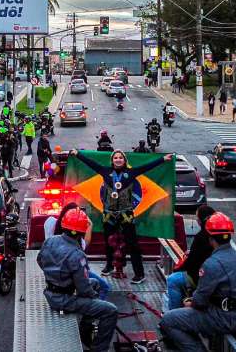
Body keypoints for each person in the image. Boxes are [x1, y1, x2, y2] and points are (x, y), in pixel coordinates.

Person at [69, 149, 174, 284]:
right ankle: (109, 266)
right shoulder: (105, 171)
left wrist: (163, 159)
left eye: (120, 158)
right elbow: (91, 163)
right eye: (115, 158)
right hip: (109, 214)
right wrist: (77, 154)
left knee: (133, 244)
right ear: (112, 160)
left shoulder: (131, 173)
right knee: (108, 241)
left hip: (126, 214)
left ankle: (139, 273)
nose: (118, 160)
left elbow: (147, 167)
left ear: (125, 160)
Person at [159, 213, 236, 352]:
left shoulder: (211, 264)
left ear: (210, 238)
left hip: (223, 319)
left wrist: (190, 302)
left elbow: (200, 301)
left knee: (168, 320)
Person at [37, 209, 118, 352]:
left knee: (96, 284)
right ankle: (98, 348)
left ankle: (85, 328)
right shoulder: (76, 255)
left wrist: (57, 277)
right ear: (80, 232)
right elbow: (84, 290)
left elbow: (40, 261)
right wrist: (95, 300)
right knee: (110, 310)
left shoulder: (50, 241)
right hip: (64, 300)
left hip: (52, 292)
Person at [43, 203, 110, 301]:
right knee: (104, 287)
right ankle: (94, 309)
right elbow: (84, 248)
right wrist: (89, 226)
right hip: (72, 271)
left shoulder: (50, 225)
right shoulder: (76, 244)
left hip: (56, 271)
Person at [166, 205, 216, 311]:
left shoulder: (202, 236)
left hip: (201, 277)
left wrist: (177, 269)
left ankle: (174, 313)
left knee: (172, 279)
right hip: (210, 277)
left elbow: (191, 263)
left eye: (197, 218)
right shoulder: (217, 236)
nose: (196, 220)